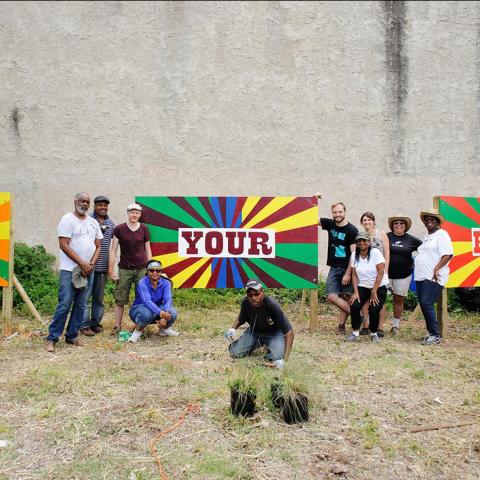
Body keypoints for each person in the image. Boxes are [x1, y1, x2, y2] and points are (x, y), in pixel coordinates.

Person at [45, 193, 103, 353]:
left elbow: (98, 246)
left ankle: (72, 336)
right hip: (70, 270)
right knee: (64, 304)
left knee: (81, 304)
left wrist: (91, 263)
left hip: (88, 270)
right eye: (82, 201)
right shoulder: (67, 219)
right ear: (75, 202)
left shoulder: (93, 222)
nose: (85, 204)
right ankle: (52, 338)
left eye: (87, 202)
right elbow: (63, 244)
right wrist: (82, 263)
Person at [225, 279, 294, 368]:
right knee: (235, 352)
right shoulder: (245, 303)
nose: (254, 298)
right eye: (250, 295)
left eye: (257, 294)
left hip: (273, 334)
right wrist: (232, 329)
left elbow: (289, 332)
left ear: (262, 292)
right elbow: (241, 318)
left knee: (277, 358)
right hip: (254, 332)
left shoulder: (272, 305)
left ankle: (268, 348)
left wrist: (285, 360)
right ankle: (253, 344)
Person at [109, 203, 152, 335]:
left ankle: (137, 325)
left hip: (141, 269)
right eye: (132, 212)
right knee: (120, 298)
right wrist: (111, 270)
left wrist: (150, 267)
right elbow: (113, 250)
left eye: (137, 213)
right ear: (128, 213)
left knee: (142, 298)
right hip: (124, 268)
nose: (134, 215)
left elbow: (148, 249)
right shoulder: (119, 229)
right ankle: (117, 326)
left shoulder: (144, 228)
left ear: (140, 215)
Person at [414, 208, 453, 345]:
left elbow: (447, 254)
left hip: (434, 276)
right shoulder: (427, 237)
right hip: (421, 276)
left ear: (438, 222)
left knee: (426, 302)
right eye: (427, 219)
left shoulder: (442, 234)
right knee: (424, 304)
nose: (429, 221)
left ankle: (435, 336)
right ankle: (430, 332)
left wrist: (436, 268)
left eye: (432, 219)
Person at [78, 195, 115, 336]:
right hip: (89, 266)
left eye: (105, 205)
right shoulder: (88, 221)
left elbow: (113, 244)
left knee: (99, 299)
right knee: (85, 297)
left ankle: (95, 323)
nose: (103, 208)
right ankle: (84, 325)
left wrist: (111, 267)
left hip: (103, 267)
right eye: (100, 205)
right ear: (94, 206)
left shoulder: (111, 224)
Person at [319, 202, 358, 334]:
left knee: (347, 297)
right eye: (335, 212)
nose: (337, 214)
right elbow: (312, 219)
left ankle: (341, 326)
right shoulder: (329, 224)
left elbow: (354, 254)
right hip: (334, 267)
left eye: (340, 212)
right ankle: (359, 317)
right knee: (332, 296)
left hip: (347, 268)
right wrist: (314, 201)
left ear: (345, 212)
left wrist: (348, 273)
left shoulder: (352, 230)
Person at [346, 232, 389, 343]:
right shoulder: (354, 255)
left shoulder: (375, 253)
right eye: (359, 241)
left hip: (379, 286)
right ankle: (355, 333)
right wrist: (355, 292)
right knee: (354, 305)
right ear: (357, 243)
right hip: (363, 285)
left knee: (374, 309)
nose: (362, 243)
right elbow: (354, 274)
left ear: (369, 242)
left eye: (364, 240)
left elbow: (380, 272)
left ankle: (374, 333)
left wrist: (374, 291)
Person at [386, 214, 422, 334]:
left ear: (405, 226)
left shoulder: (412, 240)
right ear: (392, 225)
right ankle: (378, 325)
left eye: (402, 223)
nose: (399, 225)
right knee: (380, 300)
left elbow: (425, 249)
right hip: (385, 275)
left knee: (398, 299)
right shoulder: (386, 237)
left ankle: (395, 326)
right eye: (396, 223)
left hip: (404, 275)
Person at [128, 260, 179, 342]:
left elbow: (168, 299)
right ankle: (136, 333)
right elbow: (147, 301)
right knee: (147, 313)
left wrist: (165, 316)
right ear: (147, 271)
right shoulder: (142, 282)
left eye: (158, 270)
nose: (155, 272)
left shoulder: (166, 282)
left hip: (158, 308)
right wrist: (161, 313)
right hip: (140, 309)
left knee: (172, 313)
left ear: (160, 271)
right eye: (151, 270)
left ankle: (164, 330)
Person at [358, 212, 390, 337]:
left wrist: (385, 271)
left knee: (379, 301)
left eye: (369, 220)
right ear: (362, 223)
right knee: (365, 301)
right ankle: (366, 325)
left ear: (374, 221)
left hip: (380, 273)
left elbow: (387, 253)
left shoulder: (381, 234)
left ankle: (380, 327)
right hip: (366, 274)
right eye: (364, 220)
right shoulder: (361, 236)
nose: (367, 222)